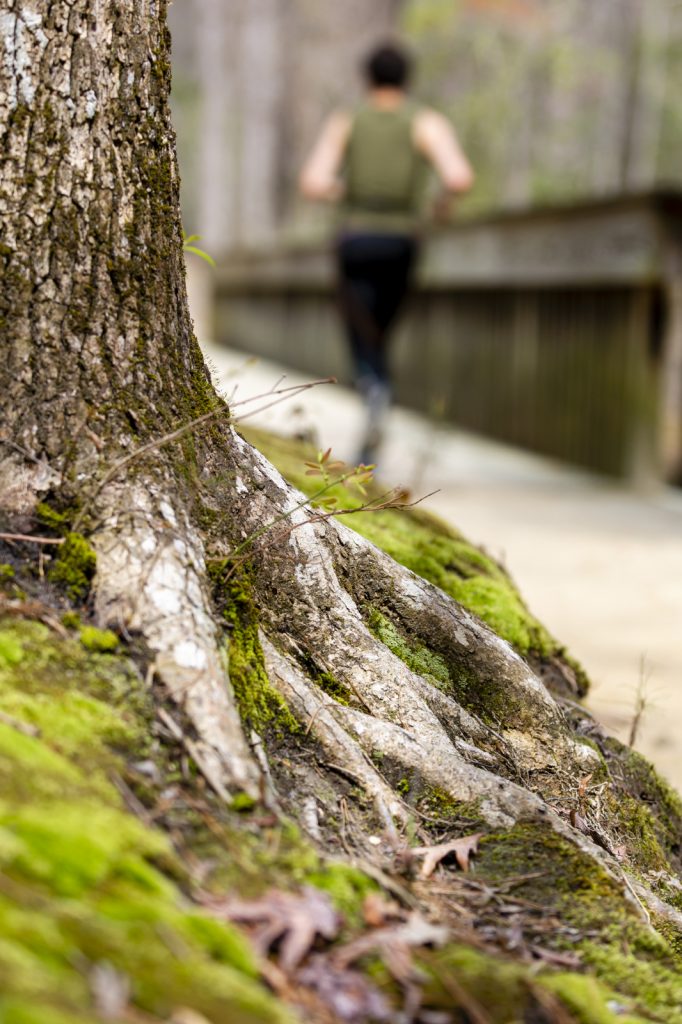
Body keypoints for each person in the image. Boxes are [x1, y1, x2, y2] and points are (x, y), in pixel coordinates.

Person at [299, 41, 474, 465]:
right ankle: (379, 393)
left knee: (362, 329)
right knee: (384, 327)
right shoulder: (423, 121)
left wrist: (347, 191)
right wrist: (438, 206)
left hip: (356, 239)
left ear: (368, 78)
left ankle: (373, 388)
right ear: (406, 80)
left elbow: (313, 181)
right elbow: (458, 176)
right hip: (402, 242)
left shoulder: (349, 120)